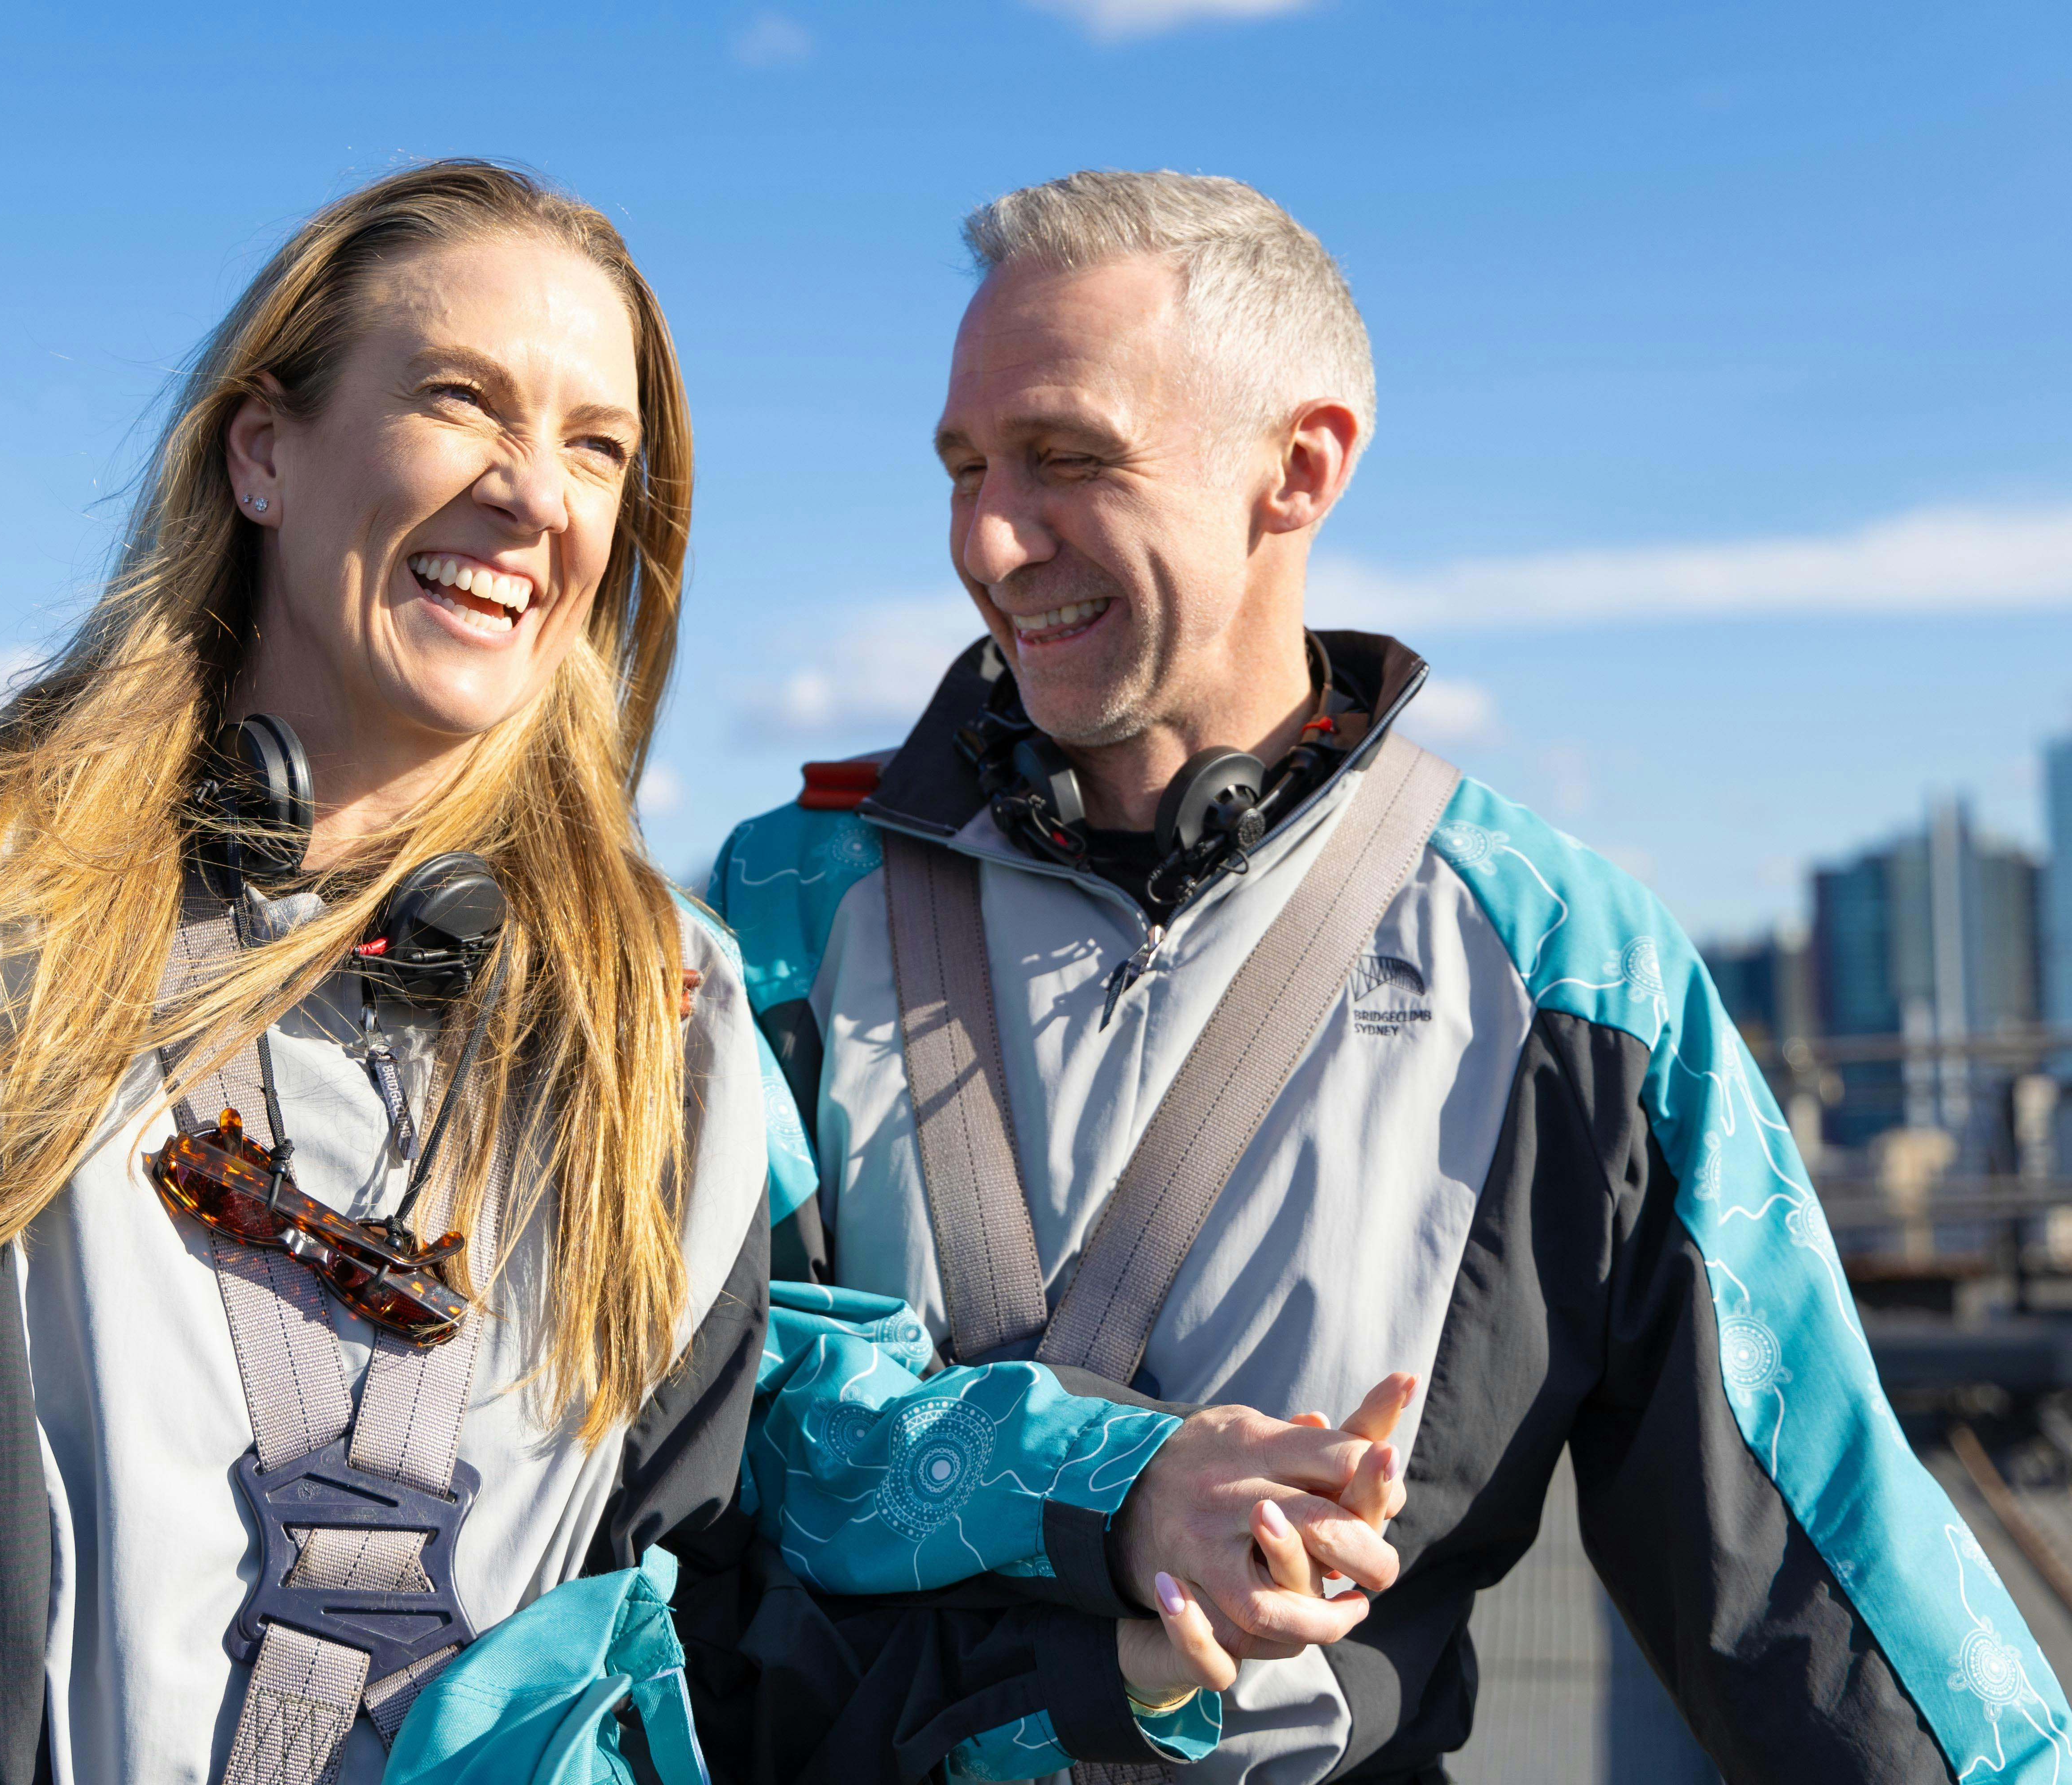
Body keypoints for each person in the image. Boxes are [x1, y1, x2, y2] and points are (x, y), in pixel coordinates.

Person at [710, 168, 2072, 1781]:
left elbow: (1814, 1561)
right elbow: (708, 1412)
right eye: (964, 469)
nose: (992, 539)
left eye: (1066, 459)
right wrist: (1118, 1484)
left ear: (1301, 467)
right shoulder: (784, 901)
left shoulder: (1567, 961)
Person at [0, 160, 789, 1785]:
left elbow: (713, 1606)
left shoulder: (672, 1020)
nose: (537, 496)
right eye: (462, 402)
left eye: (596, 447)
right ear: (263, 453)